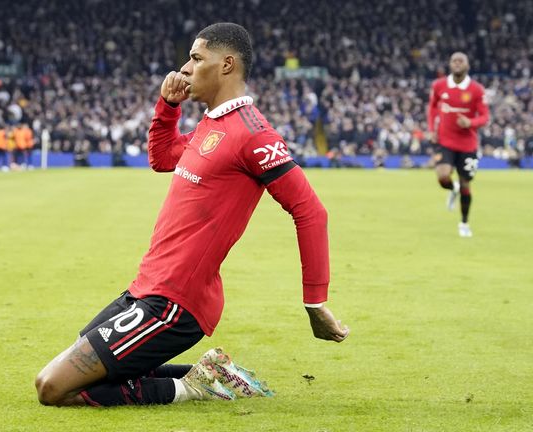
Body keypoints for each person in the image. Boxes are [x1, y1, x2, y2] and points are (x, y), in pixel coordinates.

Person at [35, 23, 349, 408]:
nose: (185, 68)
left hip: (175, 303)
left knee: (52, 388)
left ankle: (192, 387)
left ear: (227, 65)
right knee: (78, 370)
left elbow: (310, 211)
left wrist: (315, 303)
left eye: (197, 59)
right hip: (145, 289)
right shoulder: (212, 124)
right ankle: (208, 372)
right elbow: (163, 158)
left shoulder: (255, 135)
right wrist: (168, 107)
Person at [427, 52, 489, 237]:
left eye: (461, 61)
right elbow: (432, 108)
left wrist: (470, 123)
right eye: (454, 60)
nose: (457, 63)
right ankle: (451, 189)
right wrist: (432, 129)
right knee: (442, 176)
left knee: (466, 185)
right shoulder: (439, 85)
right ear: (449, 64)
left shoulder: (477, 90)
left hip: (467, 144)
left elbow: (485, 116)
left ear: (467, 65)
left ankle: (464, 223)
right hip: (445, 141)